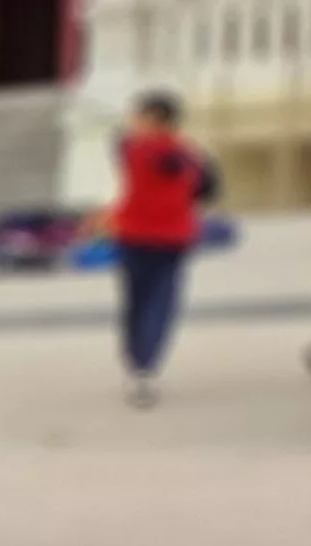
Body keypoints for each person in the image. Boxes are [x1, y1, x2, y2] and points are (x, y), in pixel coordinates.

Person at [111, 89, 214, 406]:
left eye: (139, 115)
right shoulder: (188, 156)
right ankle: (147, 365)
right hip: (173, 237)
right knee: (161, 300)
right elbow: (206, 188)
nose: (133, 122)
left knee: (135, 300)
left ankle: (136, 360)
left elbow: (118, 144)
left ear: (154, 118)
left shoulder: (134, 150)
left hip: (136, 234)